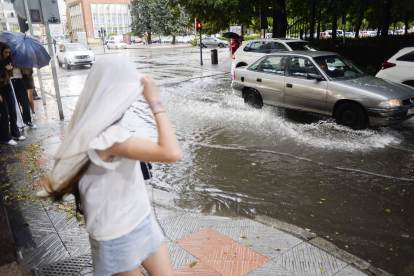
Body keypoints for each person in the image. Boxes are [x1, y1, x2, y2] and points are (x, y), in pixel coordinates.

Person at [38, 56, 181, 276]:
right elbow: (171, 152)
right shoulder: (108, 136)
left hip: (140, 218)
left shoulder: (89, 126)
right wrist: (155, 102)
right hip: (116, 235)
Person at [0, 42, 24, 145]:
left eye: (9, 52)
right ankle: (6, 138)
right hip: (0, 89)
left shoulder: (7, 62)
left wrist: (10, 69)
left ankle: (15, 133)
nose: (7, 54)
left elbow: (7, 76)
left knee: (13, 111)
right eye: (5, 52)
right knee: (5, 114)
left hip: (7, 87)